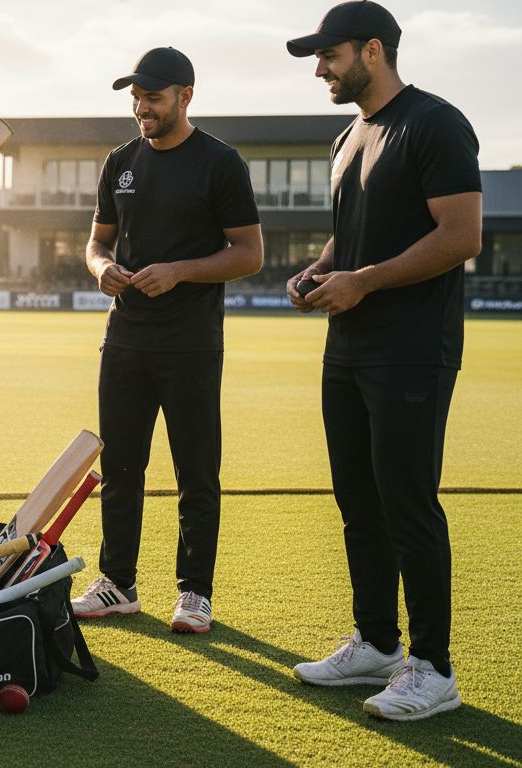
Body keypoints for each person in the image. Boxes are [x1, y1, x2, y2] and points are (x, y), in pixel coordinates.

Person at [285, 1, 481, 721]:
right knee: (359, 504)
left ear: (373, 50)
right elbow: (352, 238)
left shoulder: (436, 122)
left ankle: (433, 669)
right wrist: (317, 271)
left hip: (411, 351)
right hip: (349, 349)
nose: (319, 69)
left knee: (408, 505)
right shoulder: (348, 136)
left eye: (329, 55)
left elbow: (461, 236)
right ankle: (375, 643)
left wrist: (361, 282)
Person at [68, 47, 262, 634]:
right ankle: (117, 584)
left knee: (195, 470)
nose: (141, 108)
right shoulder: (120, 161)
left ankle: (194, 592)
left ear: (185, 97)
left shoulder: (220, 163)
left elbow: (249, 254)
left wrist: (178, 270)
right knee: (121, 467)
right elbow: (96, 241)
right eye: (136, 97)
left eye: (152, 97)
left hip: (191, 342)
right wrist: (100, 268)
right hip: (125, 338)